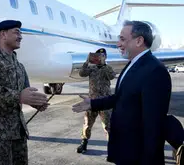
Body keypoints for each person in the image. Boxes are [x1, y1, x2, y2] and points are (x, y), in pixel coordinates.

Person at [72, 20, 172, 165]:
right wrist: (92, 103)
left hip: (138, 156)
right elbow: (120, 97)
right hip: (125, 151)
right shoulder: (132, 64)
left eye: (122, 39)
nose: (118, 44)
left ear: (139, 41)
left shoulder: (155, 70)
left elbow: (154, 125)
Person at [0, 20, 49, 165]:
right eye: (16, 32)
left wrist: (36, 102)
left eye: (20, 33)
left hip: (17, 133)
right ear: (3, 34)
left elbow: (25, 92)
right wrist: (19, 96)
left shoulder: (19, 65)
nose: (20, 36)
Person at [76, 48, 115, 153]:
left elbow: (111, 76)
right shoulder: (91, 68)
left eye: (102, 56)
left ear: (105, 57)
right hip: (92, 102)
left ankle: (112, 147)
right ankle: (83, 143)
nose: (100, 57)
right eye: (98, 55)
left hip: (105, 102)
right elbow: (81, 73)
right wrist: (87, 61)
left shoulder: (108, 68)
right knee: (87, 124)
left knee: (108, 126)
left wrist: (103, 66)